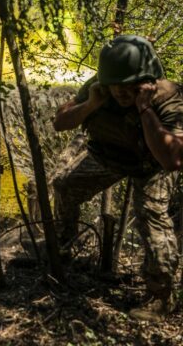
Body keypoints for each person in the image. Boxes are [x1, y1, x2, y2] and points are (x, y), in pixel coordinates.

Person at [52, 34, 183, 322]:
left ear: (147, 81)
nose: (122, 93)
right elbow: (60, 122)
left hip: (152, 165)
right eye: (115, 86)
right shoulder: (98, 88)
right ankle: (60, 251)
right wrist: (91, 105)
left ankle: (160, 297)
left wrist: (145, 109)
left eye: (130, 87)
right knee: (64, 184)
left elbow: (171, 159)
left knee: (151, 213)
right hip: (108, 156)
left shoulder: (169, 96)